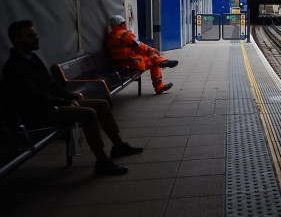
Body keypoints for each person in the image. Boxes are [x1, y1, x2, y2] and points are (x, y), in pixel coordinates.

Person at [1, 20, 143, 176]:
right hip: (37, 113)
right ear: (17, 40)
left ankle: (118, 145)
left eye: (35, 34)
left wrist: (69, 96)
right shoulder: (14, 67)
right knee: (88, 114)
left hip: (51, 105)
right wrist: (65, 101)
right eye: (30, 36)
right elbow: (34, 95)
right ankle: (102, 161)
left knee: (101, 104)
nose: (37, 38)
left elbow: (50, 84)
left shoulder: (32, 58)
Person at [106, 15, 178, 94]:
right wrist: (151, 50)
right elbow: (140, 46)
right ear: (122, 24)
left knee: (151, 57)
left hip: (121, 63)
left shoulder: (110, 36)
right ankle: (159, 84)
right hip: (132, 63)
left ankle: (162, 62)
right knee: (153, 60)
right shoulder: (125, 34)